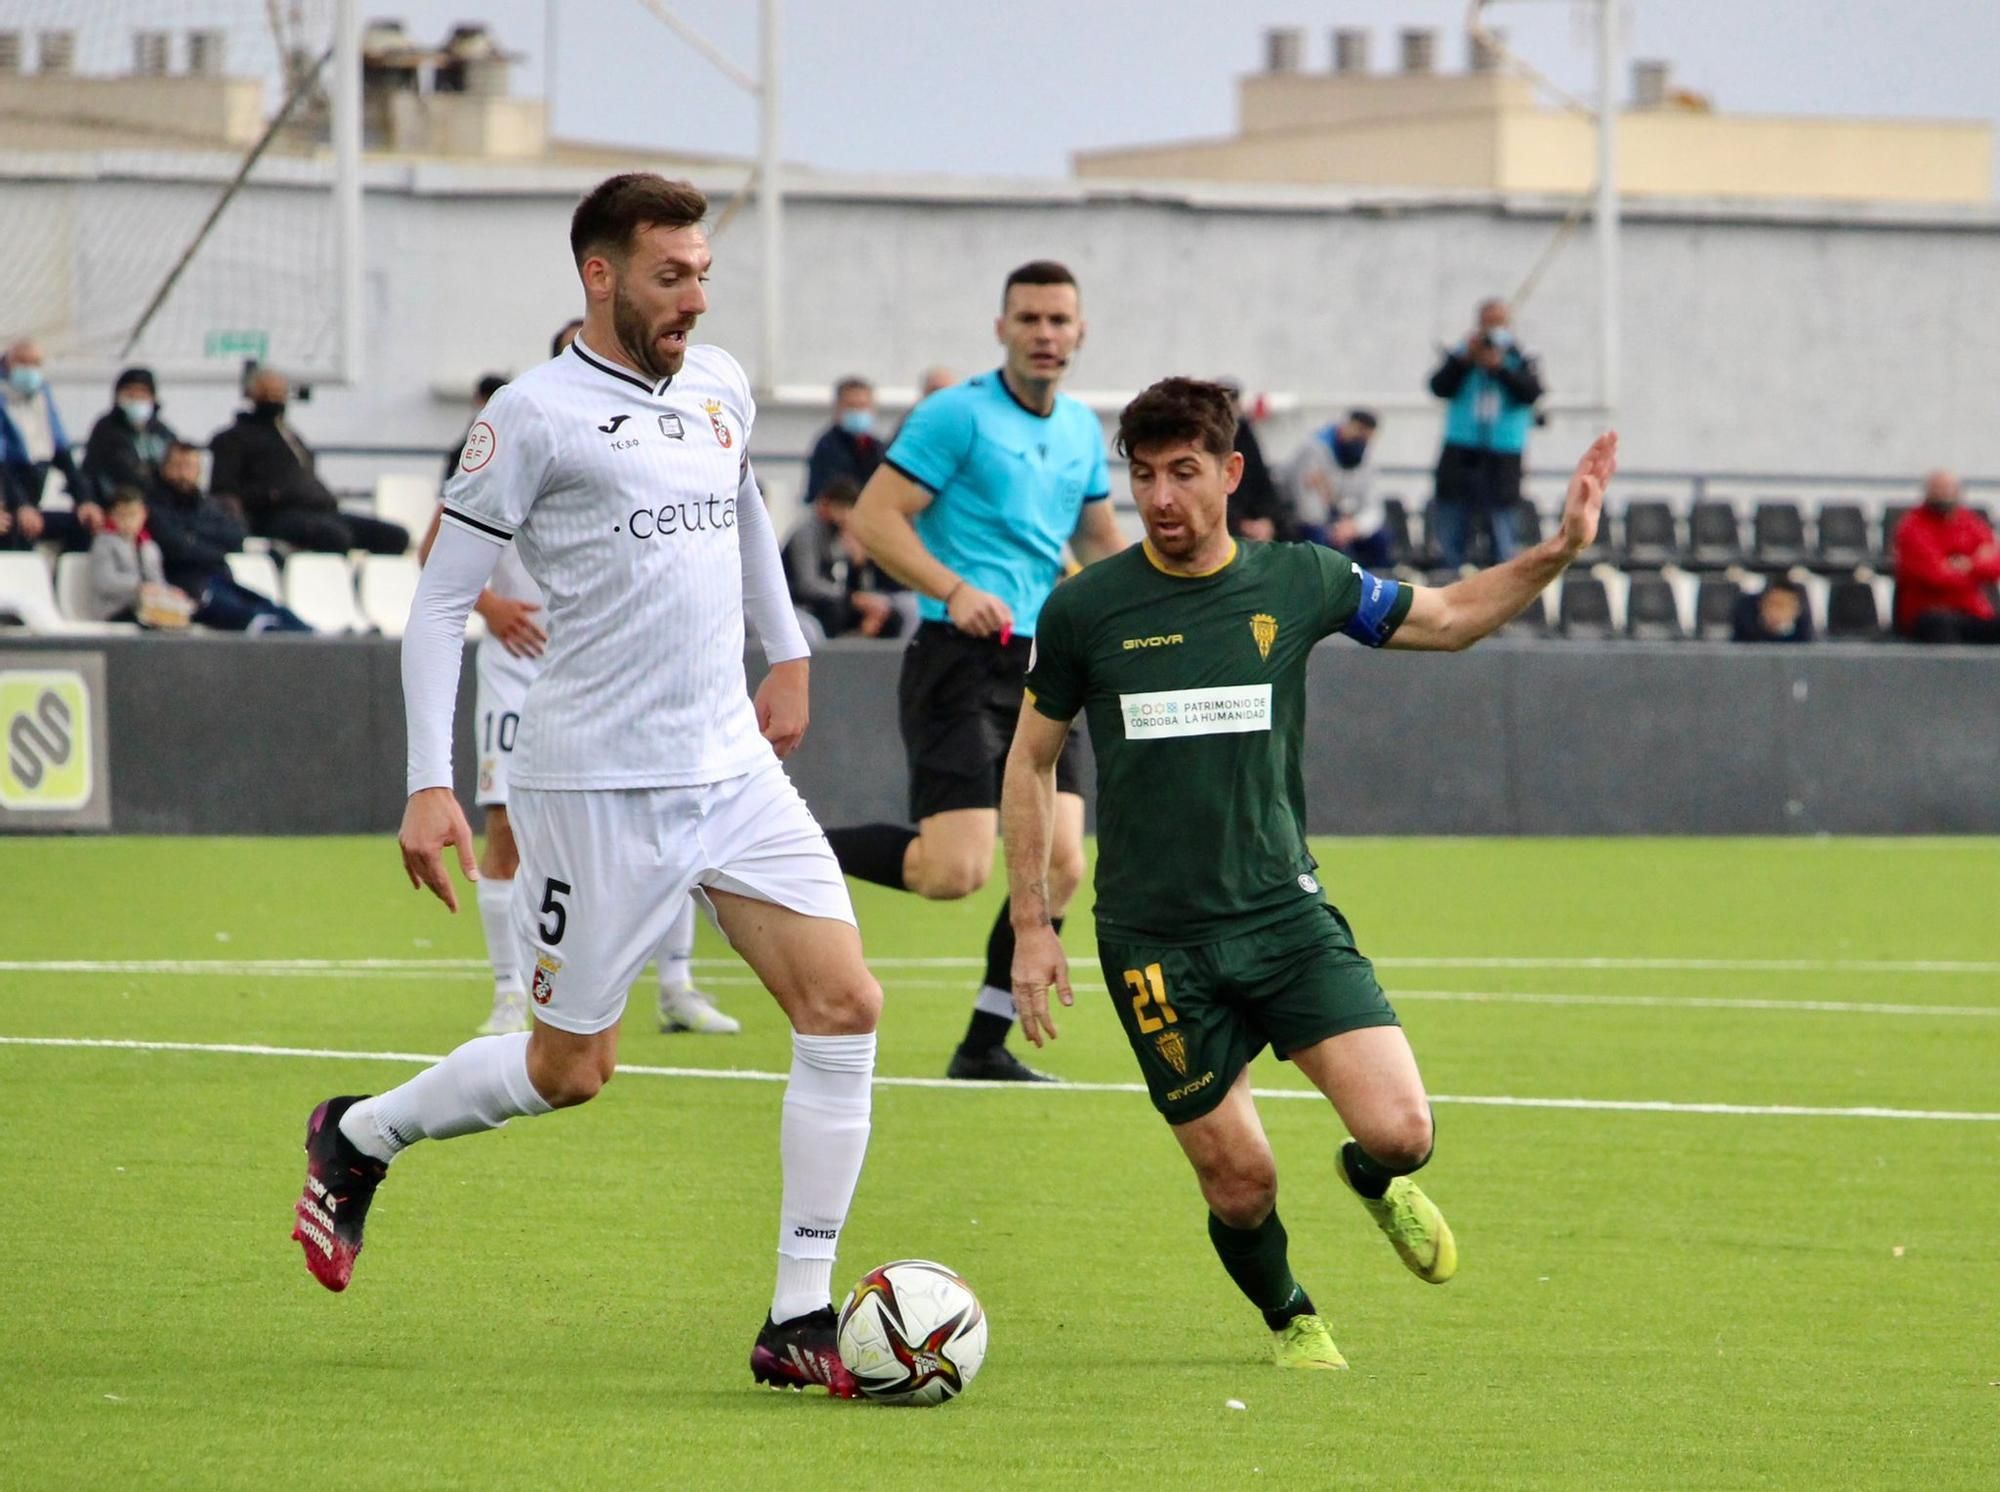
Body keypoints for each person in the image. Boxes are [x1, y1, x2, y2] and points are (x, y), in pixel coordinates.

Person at [290, 173, 880, 1398]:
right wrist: (427, 783)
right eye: (672, 276)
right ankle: (359, 1133)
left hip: (730, 769)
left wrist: (789, 650)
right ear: (599, 275)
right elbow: (442, 601)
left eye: (704, 274)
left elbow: (740, 515)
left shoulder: (718, 386)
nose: (695, 299)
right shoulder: (532, 415)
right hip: (591, 788)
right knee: (571, 1071)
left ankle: (798, 1314)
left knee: (845, 1006)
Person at [1004, 376, 1617, 1369]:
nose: (1160, 496)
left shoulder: (1298, 579)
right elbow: (1029, 760)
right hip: (1155, 942)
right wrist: (1032, 924)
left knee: (1403, 1134)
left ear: (1230, 473)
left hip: (1282, 919)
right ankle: (1290, 1315)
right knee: (1239, 1180)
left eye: (1183, 472)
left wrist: (1560, 551)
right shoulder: (1085, 609)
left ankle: (1370, 1181)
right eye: (1143, 473)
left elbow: (1451, 617)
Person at [829, 260, 1127, 1082]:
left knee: (1065, 864)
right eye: (1028, 319)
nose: (1044, 334)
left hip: (1046, 665)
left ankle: (983, 1045)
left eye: (1058, 320)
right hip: (958, 662)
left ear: (1079, 333)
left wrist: (1172, 603)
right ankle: (772, 853)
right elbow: (874, 518)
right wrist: (953, 589)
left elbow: (1101, 541)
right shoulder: (954, 415)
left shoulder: (1077, 431)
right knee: (952, 872)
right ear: (1001, 329)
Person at [416, 362, 739, 1039]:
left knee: (668, 818)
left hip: (604, 665)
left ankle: (676, 983)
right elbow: (435, 553)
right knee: (505, 827)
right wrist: (496, 606)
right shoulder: (529, 426)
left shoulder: (644, 443)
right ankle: (510, 993)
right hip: (519, 663)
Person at [207, 368, 409, 554]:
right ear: (251, 395)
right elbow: (223, 491)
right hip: (274, 516)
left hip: (321, 511)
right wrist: (273, 495)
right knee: (334, 536)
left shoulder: (290, 437)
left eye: (280, 393)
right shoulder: (233, 439)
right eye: (268, 393)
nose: (276, 400)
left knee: (395, 537)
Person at [146, 440, 310, 632]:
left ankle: (319, 641)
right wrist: (209, 545)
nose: (184, 473)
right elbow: (176, 547)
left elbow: (235, 537)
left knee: (275, 609)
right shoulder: (154, 506)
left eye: (190, 466)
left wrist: (193, 536)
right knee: (255, 619)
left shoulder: (207, 505)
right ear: (165, 468)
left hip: (221, 578)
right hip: (189, 587)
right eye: (179, 466)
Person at [1428, 299, 1543, 570]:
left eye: (1498, 322)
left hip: (1503, 454)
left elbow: (1531, 393)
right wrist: (1463, 360)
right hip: (1461, 451)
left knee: (1502, 529)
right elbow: (1439, 386)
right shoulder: (1463, 354)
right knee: (1452, 524)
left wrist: (1501, 368)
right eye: (1488, 322)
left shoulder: (1521, 356)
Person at [0, 337, 102, 552]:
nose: (29, 370)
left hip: (35, 490)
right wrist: (20, 505)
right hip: (9, 493)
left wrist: (84, 499)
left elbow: (62, 452)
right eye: (22, 362)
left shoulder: (42, 396)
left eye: (35, 363)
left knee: (83, 525)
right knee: (16, 530)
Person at [783, 476, 903, 642]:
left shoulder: (845, 534)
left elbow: (860, 583)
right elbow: (807, 585)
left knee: (892, 616)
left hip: (837, 597)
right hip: (803, 601)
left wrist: (860, 564)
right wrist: (852, 598)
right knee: (834, 610)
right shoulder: (807, 534)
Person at [1893, 470, 2000, 643]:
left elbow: (1995, 566)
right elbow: (1935, 575)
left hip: (1972, 612)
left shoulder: (1971, 523)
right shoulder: (1912, 527)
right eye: (1939, 489)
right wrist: (1975, 565)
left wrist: (1964, 565)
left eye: (1949, 489)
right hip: (1929, 613)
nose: (1945, 494)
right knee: (1942, 625)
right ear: (1928, 492)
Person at [1282, 410, 1389, 566]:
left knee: (1380, 539)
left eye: (1366, 438)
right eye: (1357, 434)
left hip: (1346, 522)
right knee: (1323, 541)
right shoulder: (1312, 451)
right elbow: (1307, 509)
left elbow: (1373, 507)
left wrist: (1355, 526)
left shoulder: (1366, 460)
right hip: (1311, 523)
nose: (1360, 442)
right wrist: (1335, 527)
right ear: (1344, 428)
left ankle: (1377, 587)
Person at [85, 488, 190, 626]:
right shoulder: (103, 543)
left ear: (143, 514)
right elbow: (105, 581)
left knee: (176, 618)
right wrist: (139, 587)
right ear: (111, 516)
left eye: (133, 515)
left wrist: (168, 591)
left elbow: (156, 581)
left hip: (146, 606)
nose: (128, 521)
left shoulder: (150, 547)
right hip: (115, 609)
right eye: (122, 515)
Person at [84, 367, 179, 497]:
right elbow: (122, 469)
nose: (136, 398)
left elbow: (175, 459)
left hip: (160, 502)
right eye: (130, 393)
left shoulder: (162, 431)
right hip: (118, 500)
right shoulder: (107, 428)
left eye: (142, 393)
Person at [1218, 378, 1287, 542]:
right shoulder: (1206, 440)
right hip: (1226, 520)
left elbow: (1262, 481)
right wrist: (1243, 524)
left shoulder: (1246, 434)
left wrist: (1268, 519)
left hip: (1254, 519)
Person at [804, 377, 883, 505]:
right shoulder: (827, 447)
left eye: (862, 406)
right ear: (838, 408)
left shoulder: (877, 447)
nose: (858, 412)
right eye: (852, 406)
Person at [1730, 578, 1814, 644]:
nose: (1774, 611)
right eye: (1771, 604)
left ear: (1796, 610)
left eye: (1782, 606)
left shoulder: (1805, 642)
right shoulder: (1743, 638)